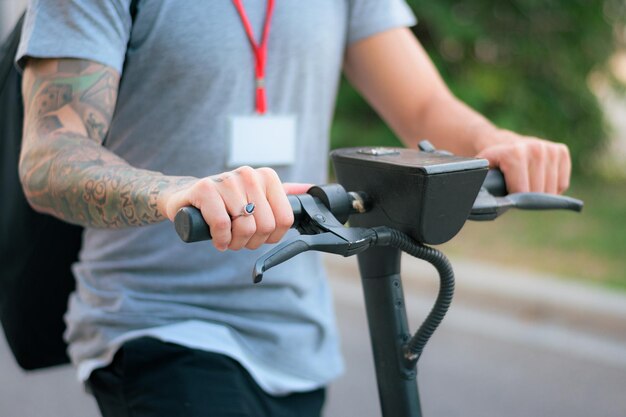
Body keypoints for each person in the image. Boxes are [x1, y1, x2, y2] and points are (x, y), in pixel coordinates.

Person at [16, 1, 571, 416]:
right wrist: (172, 194)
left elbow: (425, 104)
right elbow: (51, 156)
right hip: (162, 323)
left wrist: (494, 140)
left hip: (296, 337)